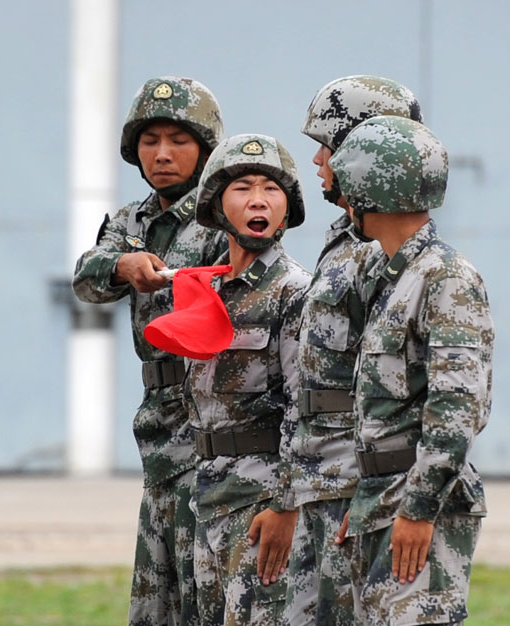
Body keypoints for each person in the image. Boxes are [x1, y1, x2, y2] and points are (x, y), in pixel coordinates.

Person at [72, 76, 226, 626]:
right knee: (154, 595)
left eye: (179, 140)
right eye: (150, 140)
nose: (162, 153)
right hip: (159, 421)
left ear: (206, 147)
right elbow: (87, 279)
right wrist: (121, 265)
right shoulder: (131, 222)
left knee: (206, 588)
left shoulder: (225, 215)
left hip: (215, 413)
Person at [329, 115, 494, 626]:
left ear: (367, 189)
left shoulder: (445, 277)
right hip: (379, 497)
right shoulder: (388, 274)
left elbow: (456, 408)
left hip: (419, 502)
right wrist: (361, 500)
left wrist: (419, 508)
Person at [286, 75, 424, 626]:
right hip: (318, 478)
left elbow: (396, 386)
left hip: (355, 482)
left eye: (330, 144)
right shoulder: (345, 235)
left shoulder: (390, 250)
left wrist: (371, 494)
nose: (317, 159)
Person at [185, 133, 311, 625]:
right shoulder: (209, 290)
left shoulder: (296, 291)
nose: (257, 198)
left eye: (270, 189)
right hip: (211, 498)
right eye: (242, 187)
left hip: (263, 507)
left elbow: (309, 409)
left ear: (286, 209)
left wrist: (287, 505)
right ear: (218, 205)